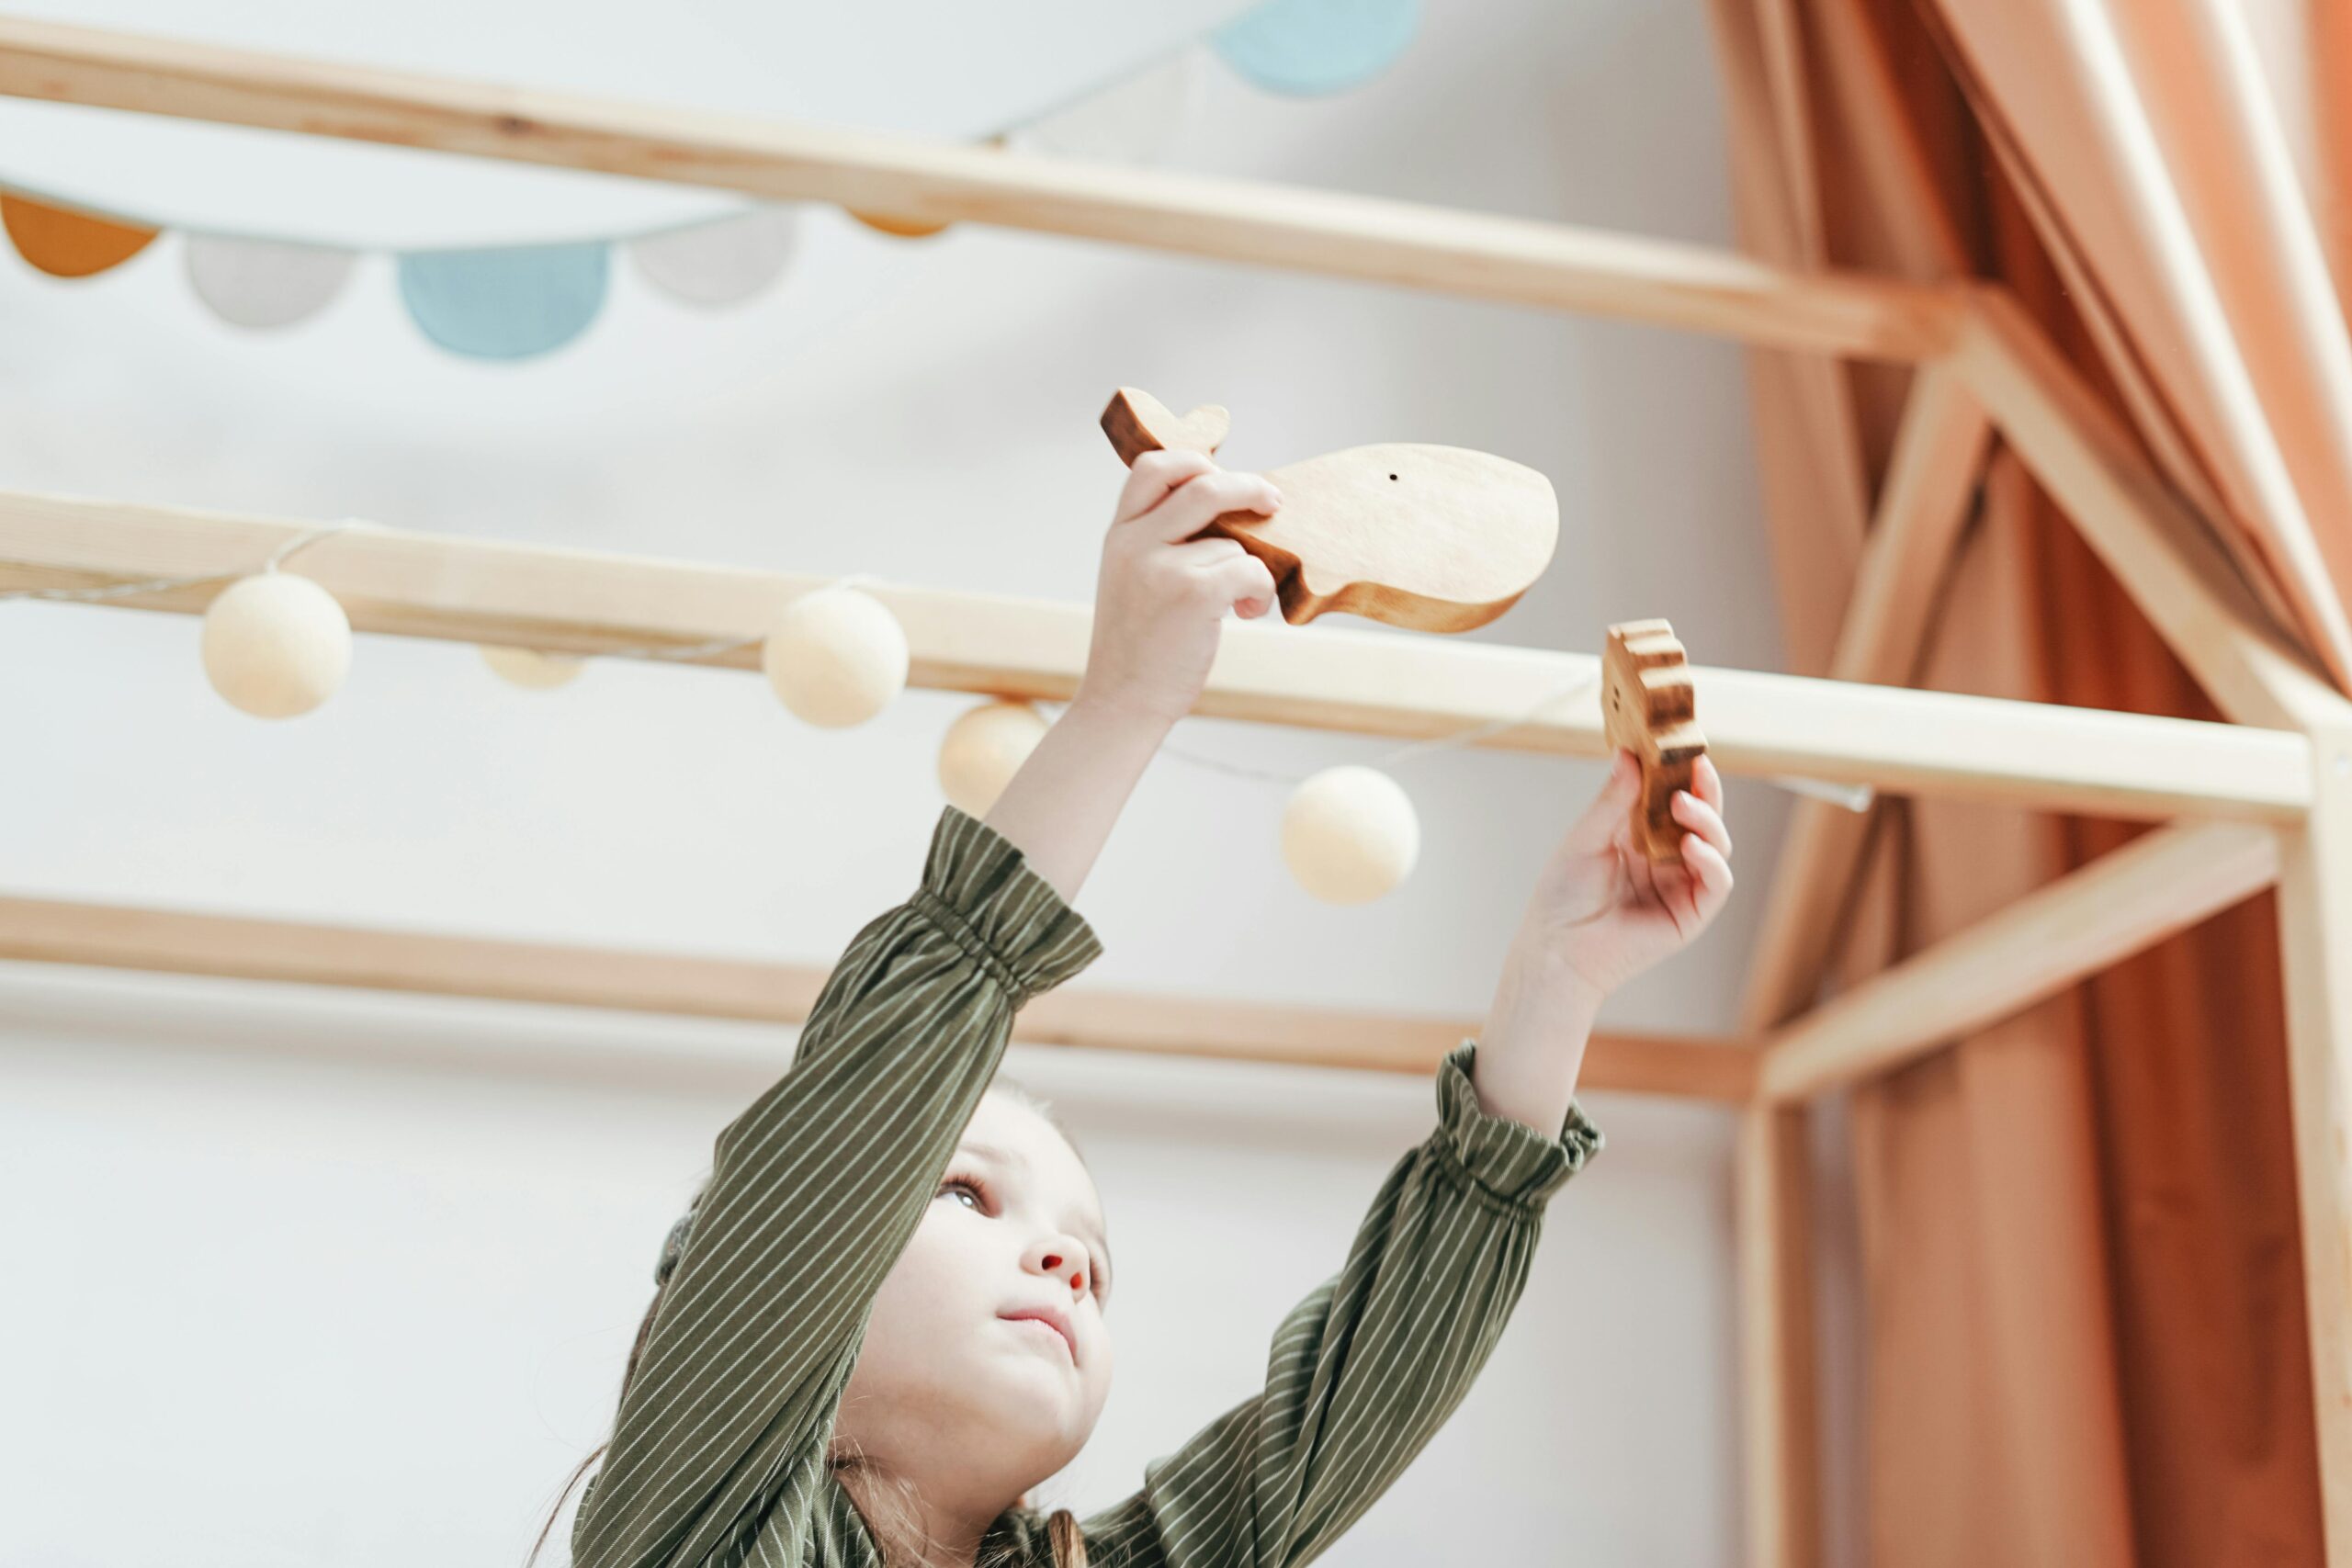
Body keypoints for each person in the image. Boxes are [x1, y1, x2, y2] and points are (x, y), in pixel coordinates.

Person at [537, 447, 1736, 1568]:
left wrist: (1558, 978)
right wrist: (1122, 704)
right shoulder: (699, 1521)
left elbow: (1336, 1413)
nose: (1065, 1261)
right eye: (962, 1191)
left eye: (1096, 1272)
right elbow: (853, 1123)